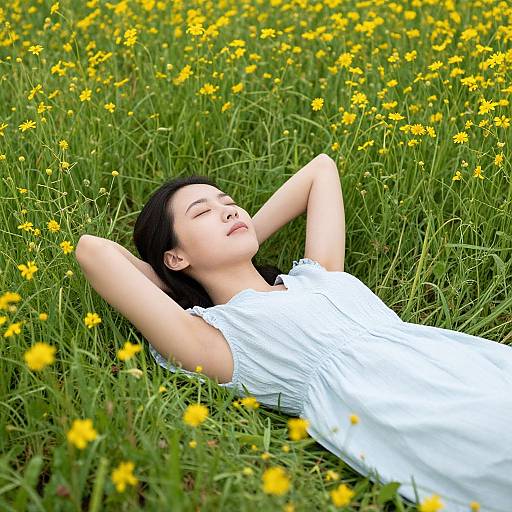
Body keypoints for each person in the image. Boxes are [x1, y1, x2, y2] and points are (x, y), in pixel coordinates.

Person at [75, 161, 512, 512]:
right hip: (401, 405)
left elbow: (321, 170)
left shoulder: (318, 274)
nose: (228, 210)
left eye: (229, 203)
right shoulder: (214, 339)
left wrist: (242, 239)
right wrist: (182, 280)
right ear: (173, 255)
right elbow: (93, 250)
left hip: (463, 362)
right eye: (203, 212)